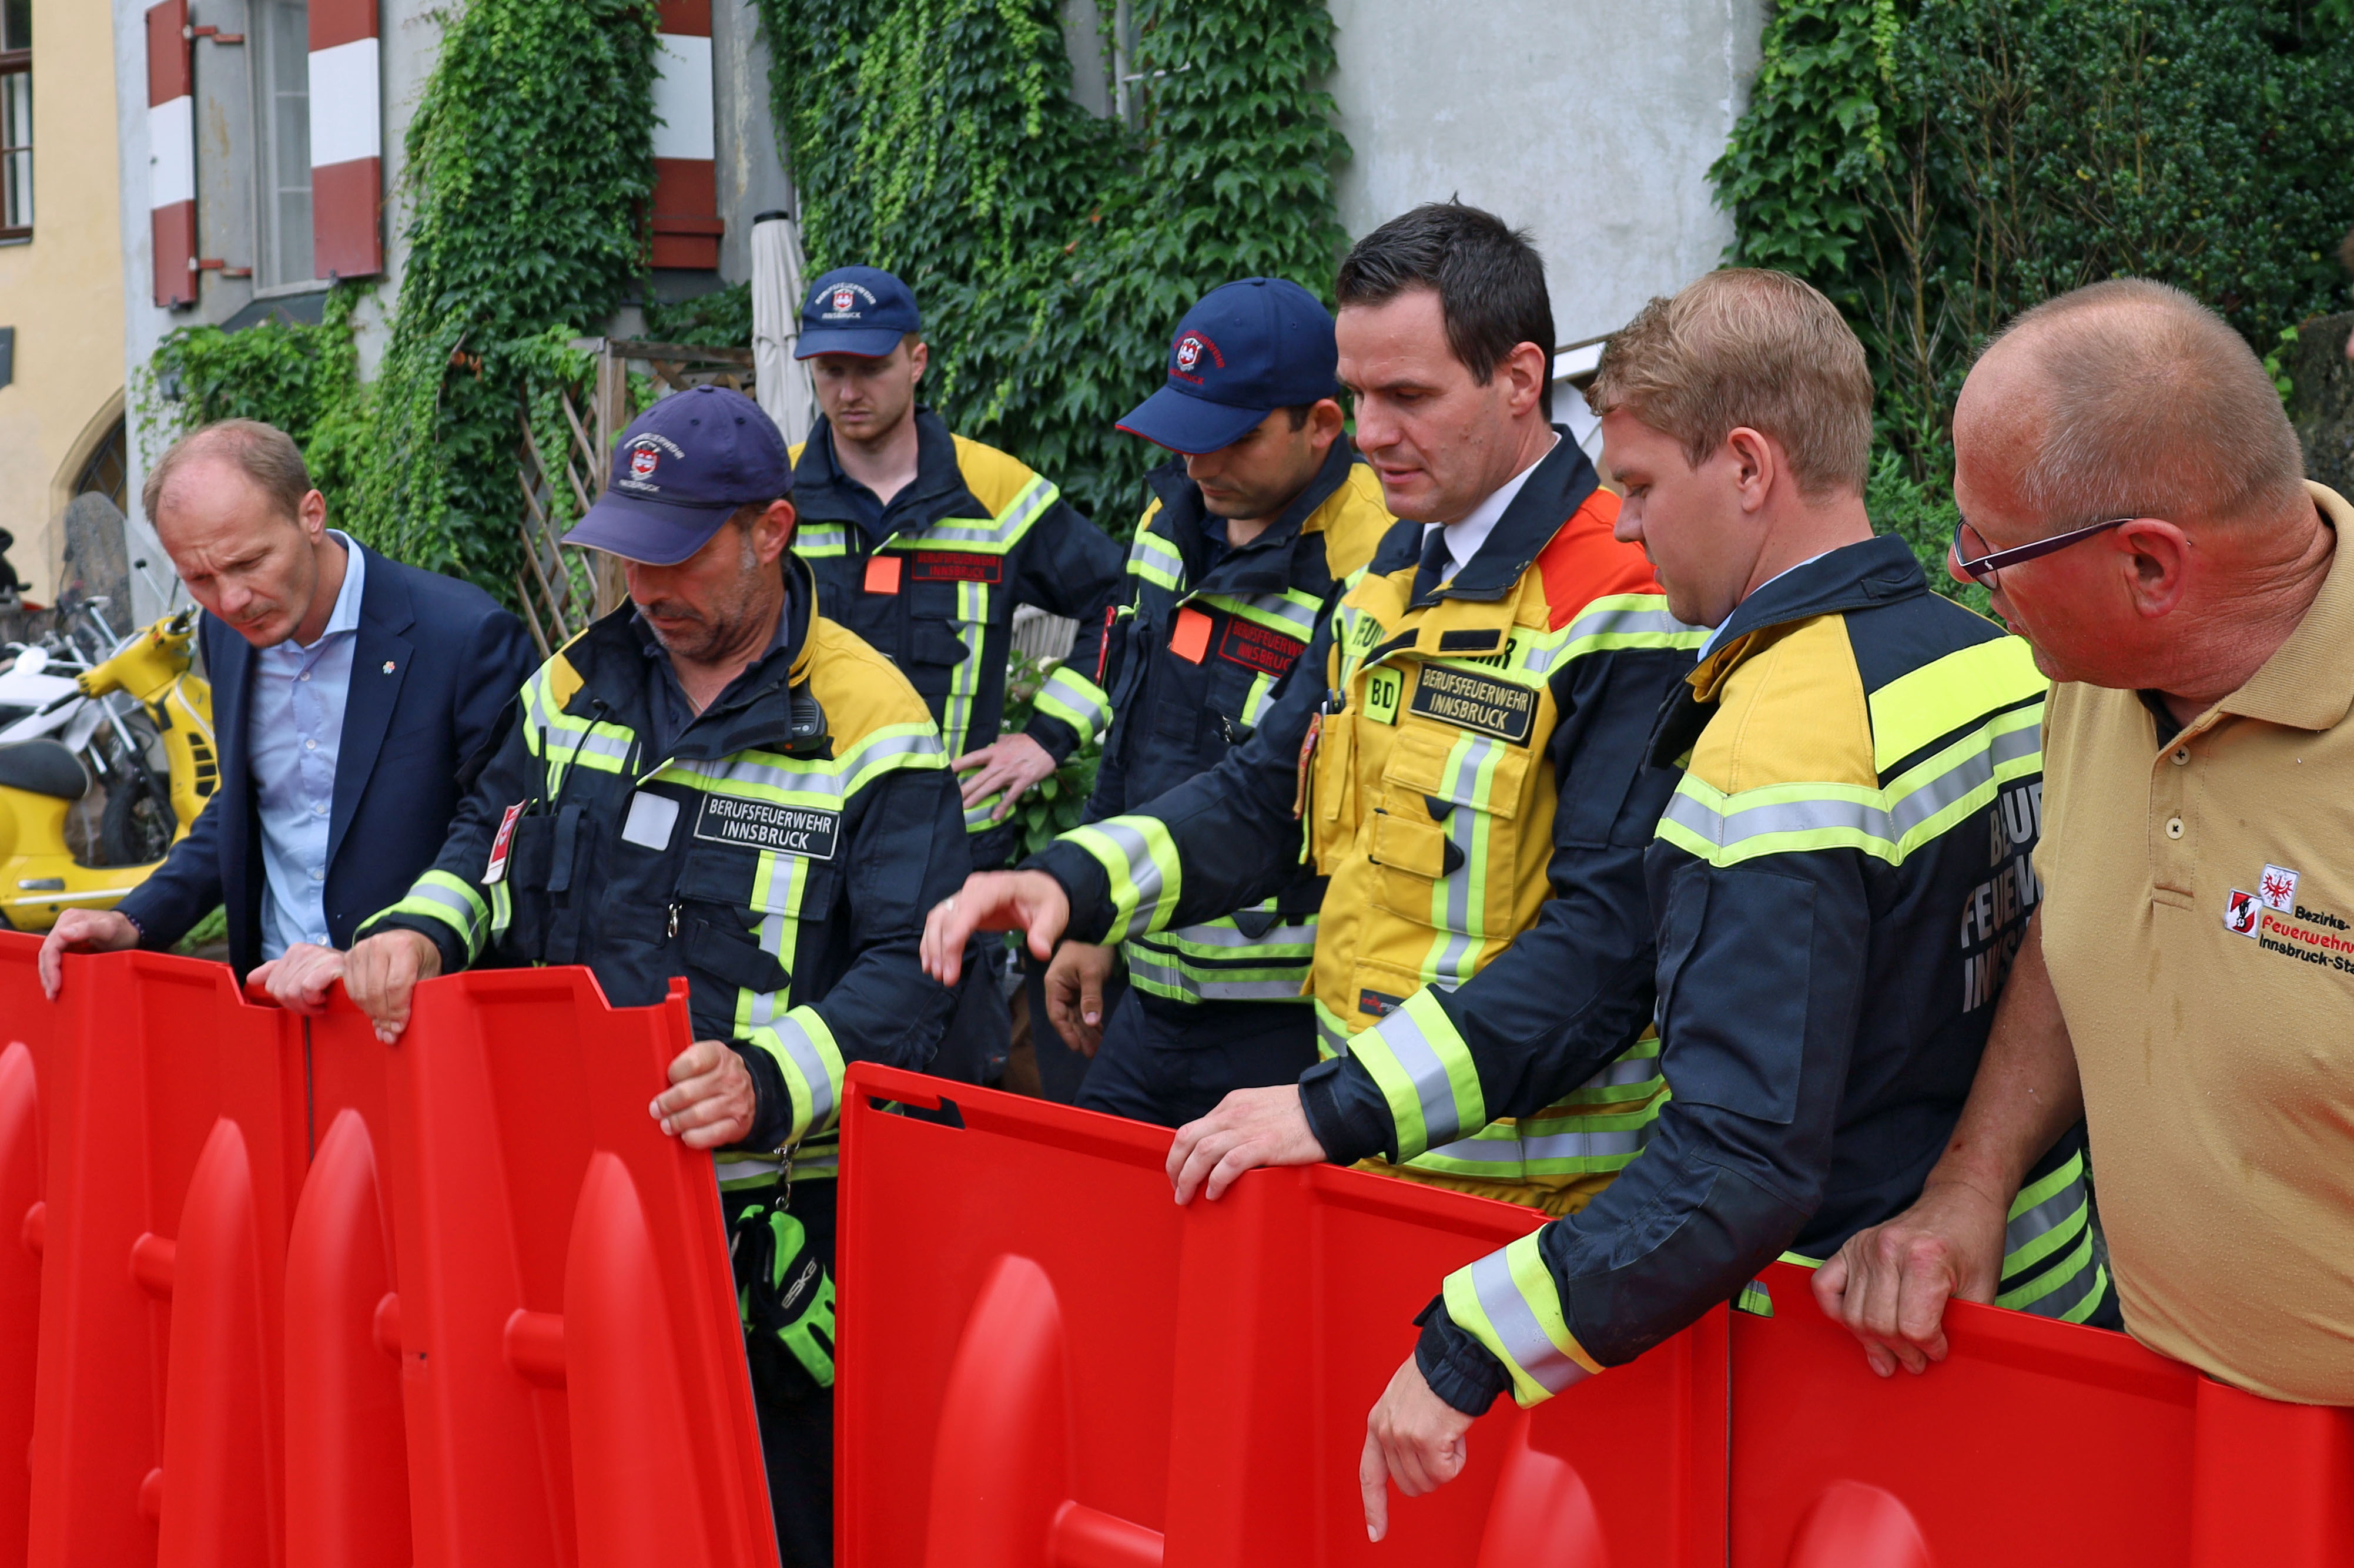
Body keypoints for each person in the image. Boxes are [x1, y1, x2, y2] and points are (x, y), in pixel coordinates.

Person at [924, 202, 1699, 1215]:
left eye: (1409, 396)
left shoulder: (1624, 594)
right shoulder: (1393, 573)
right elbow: (1262, 799)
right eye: (1359, 393)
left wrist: (1338, 1106)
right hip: (1363, 1169)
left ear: (1518, 379)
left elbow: (1604, 950)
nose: (1372, 436)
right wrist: (1069, 882)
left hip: (1522, 1210)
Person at [340, 384, 969, 1566]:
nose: (647, 589)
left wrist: (768, 1076)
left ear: (769, 531)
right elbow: (488, 832)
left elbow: (920, 968)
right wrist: (420, 930)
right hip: (562, 1188)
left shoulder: (872, 722)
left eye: (676, 557)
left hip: (766, 1222)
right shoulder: (574, 680)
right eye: (628, 557)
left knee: (764, 1517)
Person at [1819, 279, 2354, 1406]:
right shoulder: (2100, 674)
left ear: (2150, 566)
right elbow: (2087, 917)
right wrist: (1971, 1184)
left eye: (1991, 545)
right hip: (2163, 1411)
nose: (1959, 567)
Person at [1041, 276, 1392, 1126]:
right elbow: (1128, 737)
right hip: (1151, 995)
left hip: (1285, 1026)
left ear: (1320, 426)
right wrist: (1094, 921)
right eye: (1184, 436)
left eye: (1231, 440)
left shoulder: (1377, 564)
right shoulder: (1170, 520)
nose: (1199, 465)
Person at [35, 418, 532, 1003]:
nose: (231, 600)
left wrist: (413, 937)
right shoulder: (225, 635)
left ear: (311, 514)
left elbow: (500, 824)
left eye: (248, 563)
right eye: (199, 578)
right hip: (274, 1000)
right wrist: (136, 919)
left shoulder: (465, 634)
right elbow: (247, 805)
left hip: (421, 1008)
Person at [787, 266, 1127, 1086]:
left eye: (870, 367)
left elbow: (1124, 603)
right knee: (821, 1079)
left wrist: (1049, 738)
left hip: (958, 855)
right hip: (810, 842)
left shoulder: (995, 490)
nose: (848, 390)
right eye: (830, 370)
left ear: (917, 359)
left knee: (959, 1085)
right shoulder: (776, 495)